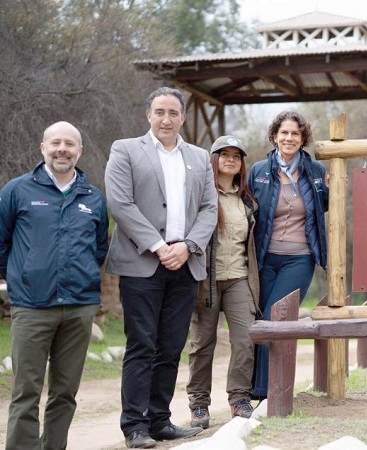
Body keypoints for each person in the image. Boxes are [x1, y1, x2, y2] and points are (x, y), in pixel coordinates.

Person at [105, 87, 218, 449]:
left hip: (185, 265)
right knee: (142, 344)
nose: (166, 119)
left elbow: (208, 209)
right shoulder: (125, 150)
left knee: (170, 346)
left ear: (183, 117)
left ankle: (160, 421)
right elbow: (120, 203)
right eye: (159, 112)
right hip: (142, 264)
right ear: (148, 115)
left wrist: (187, 246)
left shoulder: (200, 157)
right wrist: (158, 246)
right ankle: (134, 426)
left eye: (173, 112)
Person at [1, 122, 109, 450]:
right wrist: (18, 280)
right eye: (56, 143)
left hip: (79, 307)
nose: (62, 149)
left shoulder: (93, 197)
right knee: (26, 391)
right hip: (32, 305)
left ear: (80, 151)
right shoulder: (17, 191)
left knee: (65, 393)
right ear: (43, 148)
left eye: (70, 144)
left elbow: (99, 247)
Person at [248, 111, 328, 400]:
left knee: (276, 318)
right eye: (284, 133)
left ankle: (269, 391)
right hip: (265, 258)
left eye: (295, 133)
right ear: (274, 136)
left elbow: (323, 207)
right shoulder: (258, 170)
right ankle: (257, 389)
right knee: (261, 318)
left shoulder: (315, 171)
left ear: (303, 138)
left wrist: (333, 187)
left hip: (300, 258)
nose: (289, 138)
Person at [186, 135, 260, 428]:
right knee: (202, 343)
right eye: (224, 154)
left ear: (242, 164)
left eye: (236, 155)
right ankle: (199, 405)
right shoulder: (201, 194)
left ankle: (240, 398)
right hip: (206, 278)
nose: (230, 159)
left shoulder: (247, 200)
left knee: (245, 339)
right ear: (212, 159)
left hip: (239, 277)